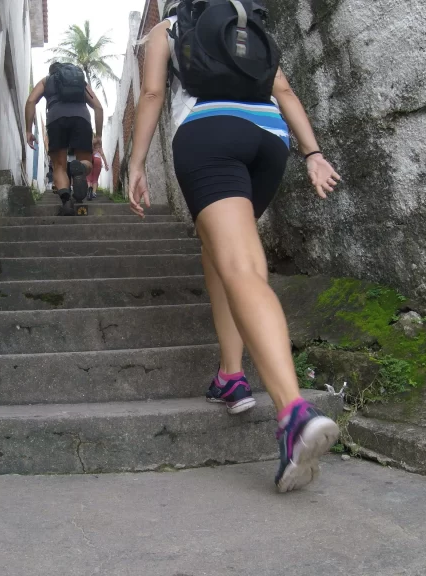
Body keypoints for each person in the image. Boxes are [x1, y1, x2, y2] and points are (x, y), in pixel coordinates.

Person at [127, 1, 343, 493]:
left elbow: (155, 92)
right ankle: (230, 374)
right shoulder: (245, 24)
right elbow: (282, 88)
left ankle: (293, 414)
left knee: (242, 266)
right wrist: (312, 153)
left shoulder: (169, 26)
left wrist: (136, 163)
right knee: (219, 252)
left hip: (210, 135)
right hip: (268, 140)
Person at [25, 63, 105, 215]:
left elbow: (30, 101)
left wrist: (29, 130)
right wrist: (99, 135)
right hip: (81, 119)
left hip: (56, 119)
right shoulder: (80, 82)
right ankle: (80, 168)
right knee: (86, 162)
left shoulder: (46, 81)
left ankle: (66, 201)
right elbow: (98, 107)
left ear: (52, 71)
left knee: (59, 166)